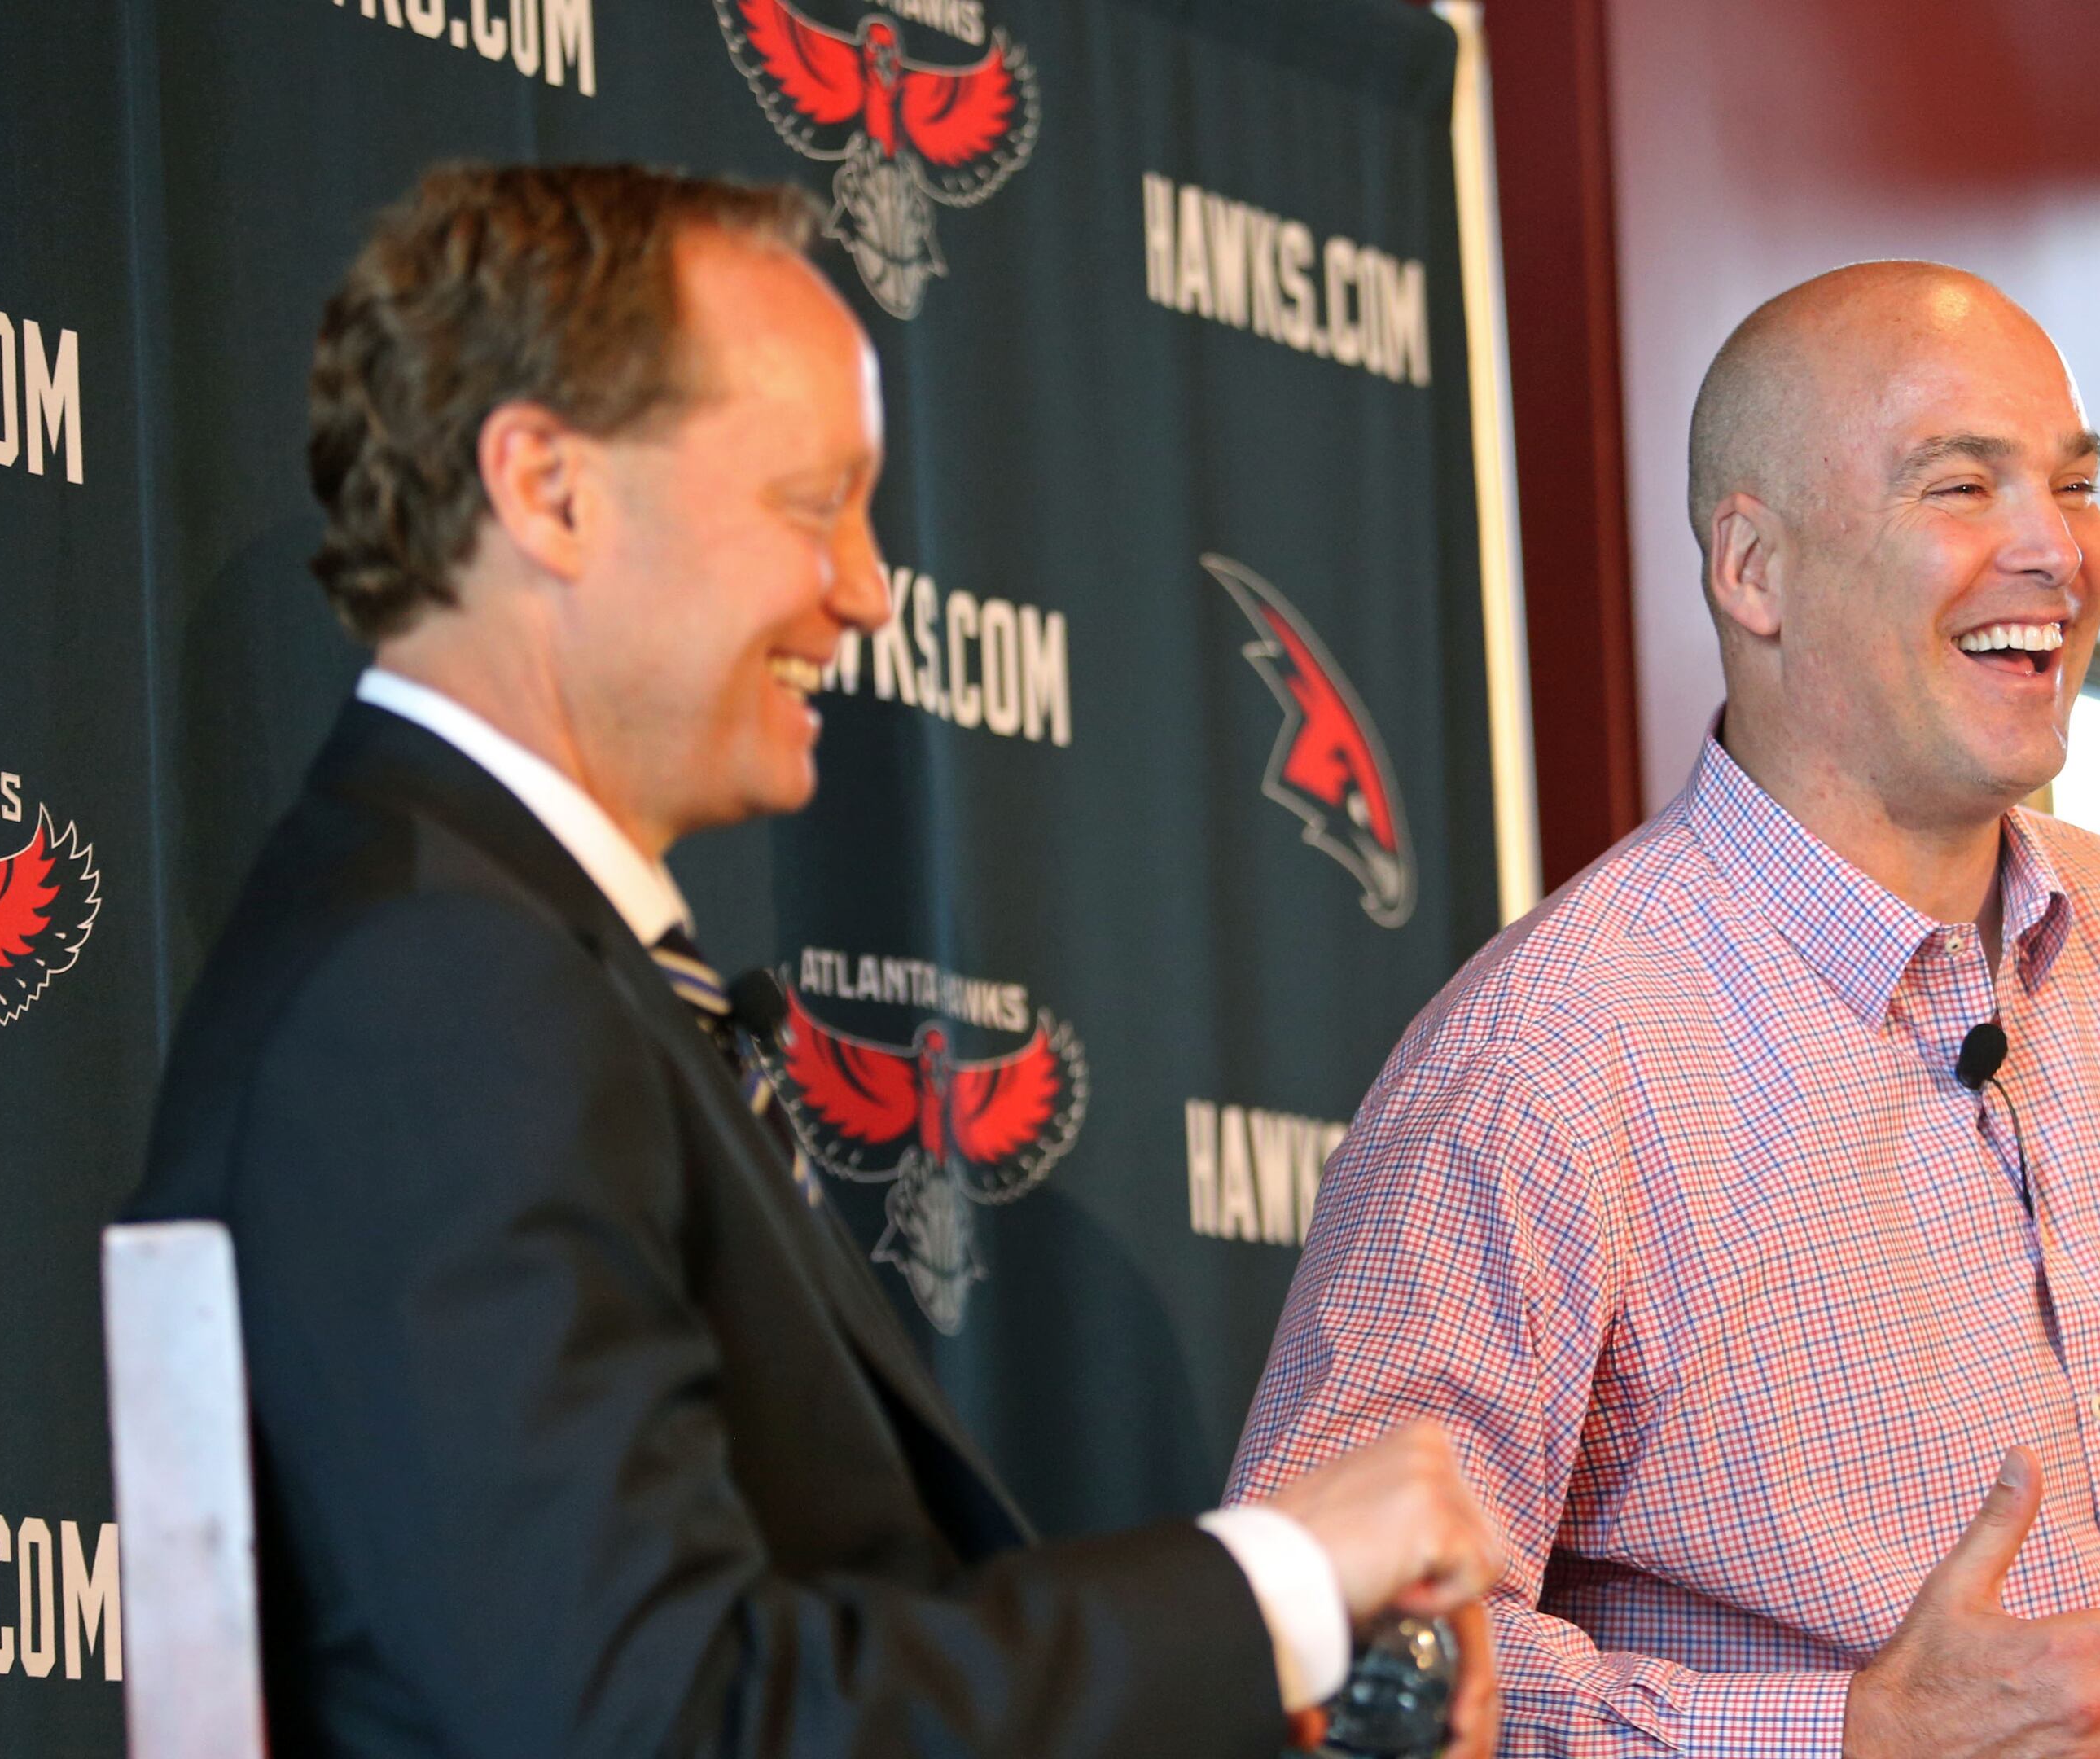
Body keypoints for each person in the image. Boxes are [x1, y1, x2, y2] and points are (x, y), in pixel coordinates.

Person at [127, 162, 1502, 1758]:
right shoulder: (440, 988)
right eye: (811, 501)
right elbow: (648, 1720)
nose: (862, 587)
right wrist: (1273, 1580)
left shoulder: (507, 956)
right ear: (548, 491)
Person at [1228, 261, 2100, 1757]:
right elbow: (1356, 1660)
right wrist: (1850, 1736)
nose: (2056, 551)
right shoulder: (1539, 1065)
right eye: (1962, 487)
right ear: (1753, 569)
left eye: (2073, 487)